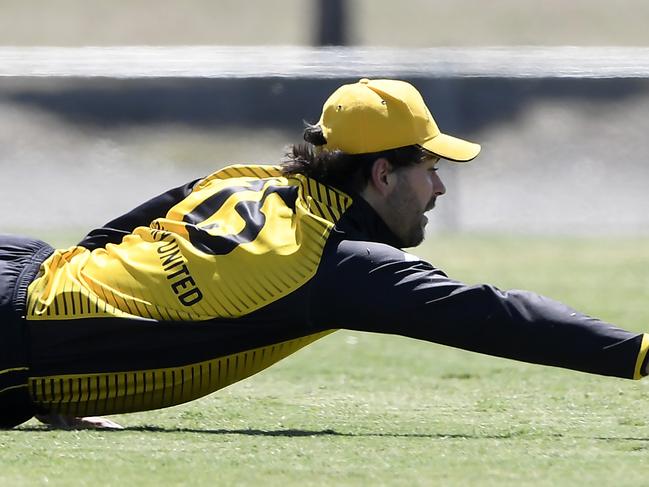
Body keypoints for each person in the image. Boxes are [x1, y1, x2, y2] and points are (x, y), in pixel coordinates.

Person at [1, 78, 647, 430]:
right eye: (428, 167)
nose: (440, 186)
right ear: (383, 175)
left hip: (23, 271)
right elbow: (493, 314)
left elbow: (98, 247)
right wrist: (638, 353)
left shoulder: (241, 177)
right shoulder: (338, 265)